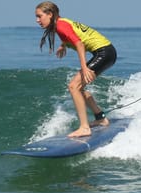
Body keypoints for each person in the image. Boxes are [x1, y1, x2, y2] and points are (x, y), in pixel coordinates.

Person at [35, 1, 117, 137]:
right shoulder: (60, 23)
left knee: (73, 86)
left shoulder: (60, 26)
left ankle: (85, 128)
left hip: (104, 53)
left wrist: (84, 67)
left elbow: (79, 44)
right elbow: (72, 35)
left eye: (39, 16)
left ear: (49, 14)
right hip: (106, 52)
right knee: (78, 88)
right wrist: (63, 45)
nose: (37, 20)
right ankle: (101, 118)